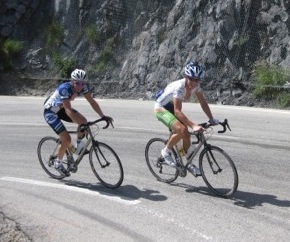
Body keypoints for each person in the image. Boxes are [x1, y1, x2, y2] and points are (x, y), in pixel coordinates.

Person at [43, 69, 113, 176]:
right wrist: (81, 124)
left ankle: (78, 146)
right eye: (77, 83)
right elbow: (68, 110)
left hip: (61, 109)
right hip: (51, 112)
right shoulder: (64, 89)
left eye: (82, 83)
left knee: (83, 121)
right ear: (72, 81)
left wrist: (103, 116)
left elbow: (92, 102)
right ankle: (58, 163)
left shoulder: (83, 87)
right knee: (67, 139)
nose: (80, 86)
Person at [154, 61, 219, 176]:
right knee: (182, 130)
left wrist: (211, 118)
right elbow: (177, 111)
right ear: (186, 76)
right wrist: (193, 125)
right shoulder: (179, 87)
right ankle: (165, 151)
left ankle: (188, 163)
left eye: (197, 80)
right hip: (161, 108)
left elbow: (203, 103)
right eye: (191, 79)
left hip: (171, 107)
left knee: (186, 135)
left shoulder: (196, 87)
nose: (194, 82)